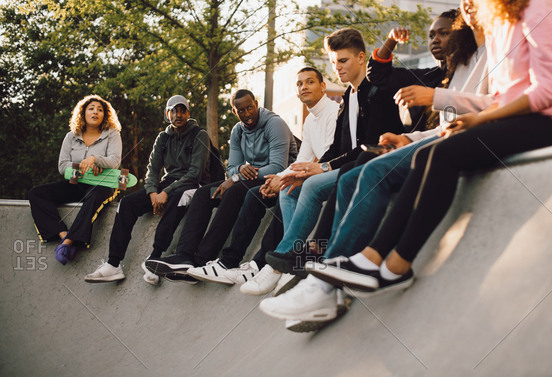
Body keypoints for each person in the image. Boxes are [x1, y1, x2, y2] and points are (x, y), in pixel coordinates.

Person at [262, 0, 552, 323]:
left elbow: (548, 91)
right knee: (423, 155)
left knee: (442, 155)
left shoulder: (538, 7)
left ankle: (393, 265)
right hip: (515, 119)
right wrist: (465, 118)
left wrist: (474, 117)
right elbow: (502, 97)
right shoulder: (507, 23)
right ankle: (367, 264)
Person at [247, 27, 404, 295]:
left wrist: (321, 168)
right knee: (290, 186)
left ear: (361, 58)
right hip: (346, 164)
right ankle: (294, 258)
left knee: (310, 186)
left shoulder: (374, 92)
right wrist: (306, 170)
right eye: (334, 62)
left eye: (343, 61)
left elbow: (368, 146)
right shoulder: (347, 96)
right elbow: (337, 148)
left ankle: (281, 262)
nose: (338, 67)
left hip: (373, 164)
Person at [184, 67, 339, 287]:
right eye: (299, 83)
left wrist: (280, 178)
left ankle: (268, 263)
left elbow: (330, 159)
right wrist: (275, 179)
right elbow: (299, 162)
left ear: (323, 86)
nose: (304, 87)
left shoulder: (335, 112)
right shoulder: (310, 121)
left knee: (284, 191)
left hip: (329, 175)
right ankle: (230, 262)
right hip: (310, 175)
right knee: (257, 193)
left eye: (310, 82)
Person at [145, 89, 298, 281]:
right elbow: (232, 167)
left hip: (277, 179)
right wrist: (240, 170)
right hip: (248, 178)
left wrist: (237, 177)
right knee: (203, 194)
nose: (247, 114)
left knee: (234, 191)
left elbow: (277, 166)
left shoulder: (275, 124)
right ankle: (185, 257)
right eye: (241, 110)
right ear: (235, 112)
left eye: (250, 107)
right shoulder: (237, 131)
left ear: (256, 104)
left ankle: (202, 259)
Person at [84, 95, 211, 283]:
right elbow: (152, 169)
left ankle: (155, 258)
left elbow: (195, 174)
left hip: (192, 185)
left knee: (177, 199)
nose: (178, 115)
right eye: (173, 111)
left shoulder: (199, 134)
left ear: (188, 113)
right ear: (167, 114)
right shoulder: (163, 137)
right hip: (165, 185)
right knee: (127, 203)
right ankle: (113, 264)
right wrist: (153, 193)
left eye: (182, 110)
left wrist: (165, 193)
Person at [28, 95, 122, 265]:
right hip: (76, 183)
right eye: (91, 108)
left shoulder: (112, 134)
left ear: (105, 115)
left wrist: (95, 159)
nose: (96, 112)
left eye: (100, 110)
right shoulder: (71, 136)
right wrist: (81, 167)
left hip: (104, 184)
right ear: (83, 113)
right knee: (37, 193)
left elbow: (115, 161)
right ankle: (63, 235)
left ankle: (69, 243)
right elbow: (63, 166)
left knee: (93, 197)